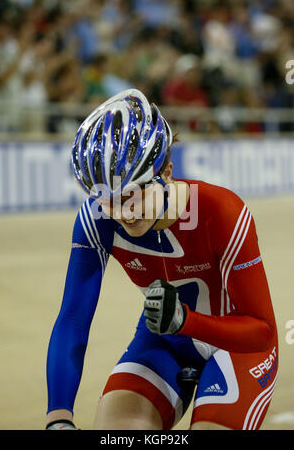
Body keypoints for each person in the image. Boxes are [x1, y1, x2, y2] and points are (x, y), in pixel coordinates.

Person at [45, 89, 278, 431]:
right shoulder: (97, 218)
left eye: (131, 194)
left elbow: (263, 333)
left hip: (237, 345)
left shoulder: (221, 211)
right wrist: (58, 417)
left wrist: (186, 320)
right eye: (106, 198)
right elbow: (73, 319)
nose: (121, 212)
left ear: (167, 171)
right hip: (164, 338)